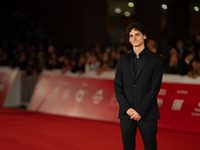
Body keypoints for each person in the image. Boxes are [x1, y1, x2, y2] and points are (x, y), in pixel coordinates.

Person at [114, 22, 163, 150]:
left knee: (150, 146)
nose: (134, 38)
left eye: (137, 34)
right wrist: (127, 109)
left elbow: (154, 88)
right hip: (126, 114)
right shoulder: (123, 60)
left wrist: (140, 111)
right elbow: (118, 87)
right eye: (131, 36)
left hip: (147, 113)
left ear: (144, 36)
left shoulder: (156, 60)